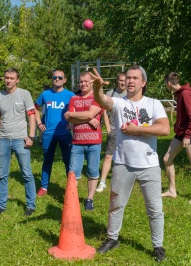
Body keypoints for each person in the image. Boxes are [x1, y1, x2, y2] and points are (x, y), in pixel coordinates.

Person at [90, 64, 170, 262]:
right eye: (128, 78)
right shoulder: (119, 103)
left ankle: (158, 246)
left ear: (143, 82)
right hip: (123, 164)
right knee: (116, 204)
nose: (130, 81)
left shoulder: (153, 104)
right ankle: (112, 238)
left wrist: (138, 130)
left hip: (149, 164)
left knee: (154, 208)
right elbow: (102, 100)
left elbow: (165, 129)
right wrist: (97, 87)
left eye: (135, 78)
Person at [0, 68, 36, 217]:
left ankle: (30, 205)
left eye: (12, 78)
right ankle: (1, 205)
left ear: (17, 80)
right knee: (2, 174)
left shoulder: (24, 94)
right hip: (3, 139)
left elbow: (31, 116)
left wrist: (31, 136)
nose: (8, 80)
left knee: (26, 173)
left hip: (20, 139)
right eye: (6, 78)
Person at [64, 71, 103, 211]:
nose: (83, 84)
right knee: (73, 172)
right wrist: (88, 118)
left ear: (92, 83)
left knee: (92, 171)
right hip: (77, 143)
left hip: (94, 142)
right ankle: (72, 199)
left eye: (86, 81)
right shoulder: (74, 98)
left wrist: (78, 116)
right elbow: (69, 118)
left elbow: (88, 113)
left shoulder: (98, 98)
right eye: (81, 81)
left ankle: (89, 199)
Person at [162, 72, 191, 204]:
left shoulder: (185, 94)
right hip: (181, 133)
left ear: (168, 83)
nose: (166, 87)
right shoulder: (180, 94)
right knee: (167, 159)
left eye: (165, 85)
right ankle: (172, 190)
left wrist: (188, 135)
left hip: (187, 134)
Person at [35, 70, 75, 196]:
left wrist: (73, 124)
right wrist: (39, 124)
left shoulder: (70, 95)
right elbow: (34, 109)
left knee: (68, 161)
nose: (57, 79)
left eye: (59, 77)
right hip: (48, 134)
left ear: (64, 80)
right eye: (54, 77)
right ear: (52, 79)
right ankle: (44, 186)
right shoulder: (45, 94)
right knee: (47, 160)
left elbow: (77, 111)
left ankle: (71, 187)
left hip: (64, 133)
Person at [96, 72, 127, 193]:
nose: (123, 82)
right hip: (114, 130)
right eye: (120, 80)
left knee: (127, 156)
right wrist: (108, 128)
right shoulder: (111, 94)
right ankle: (102, 181)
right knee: (108, 155)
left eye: (125, 80)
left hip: (127, 130)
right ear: (117, 81)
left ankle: (127, 180)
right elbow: (104, 112)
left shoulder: (130, 93)